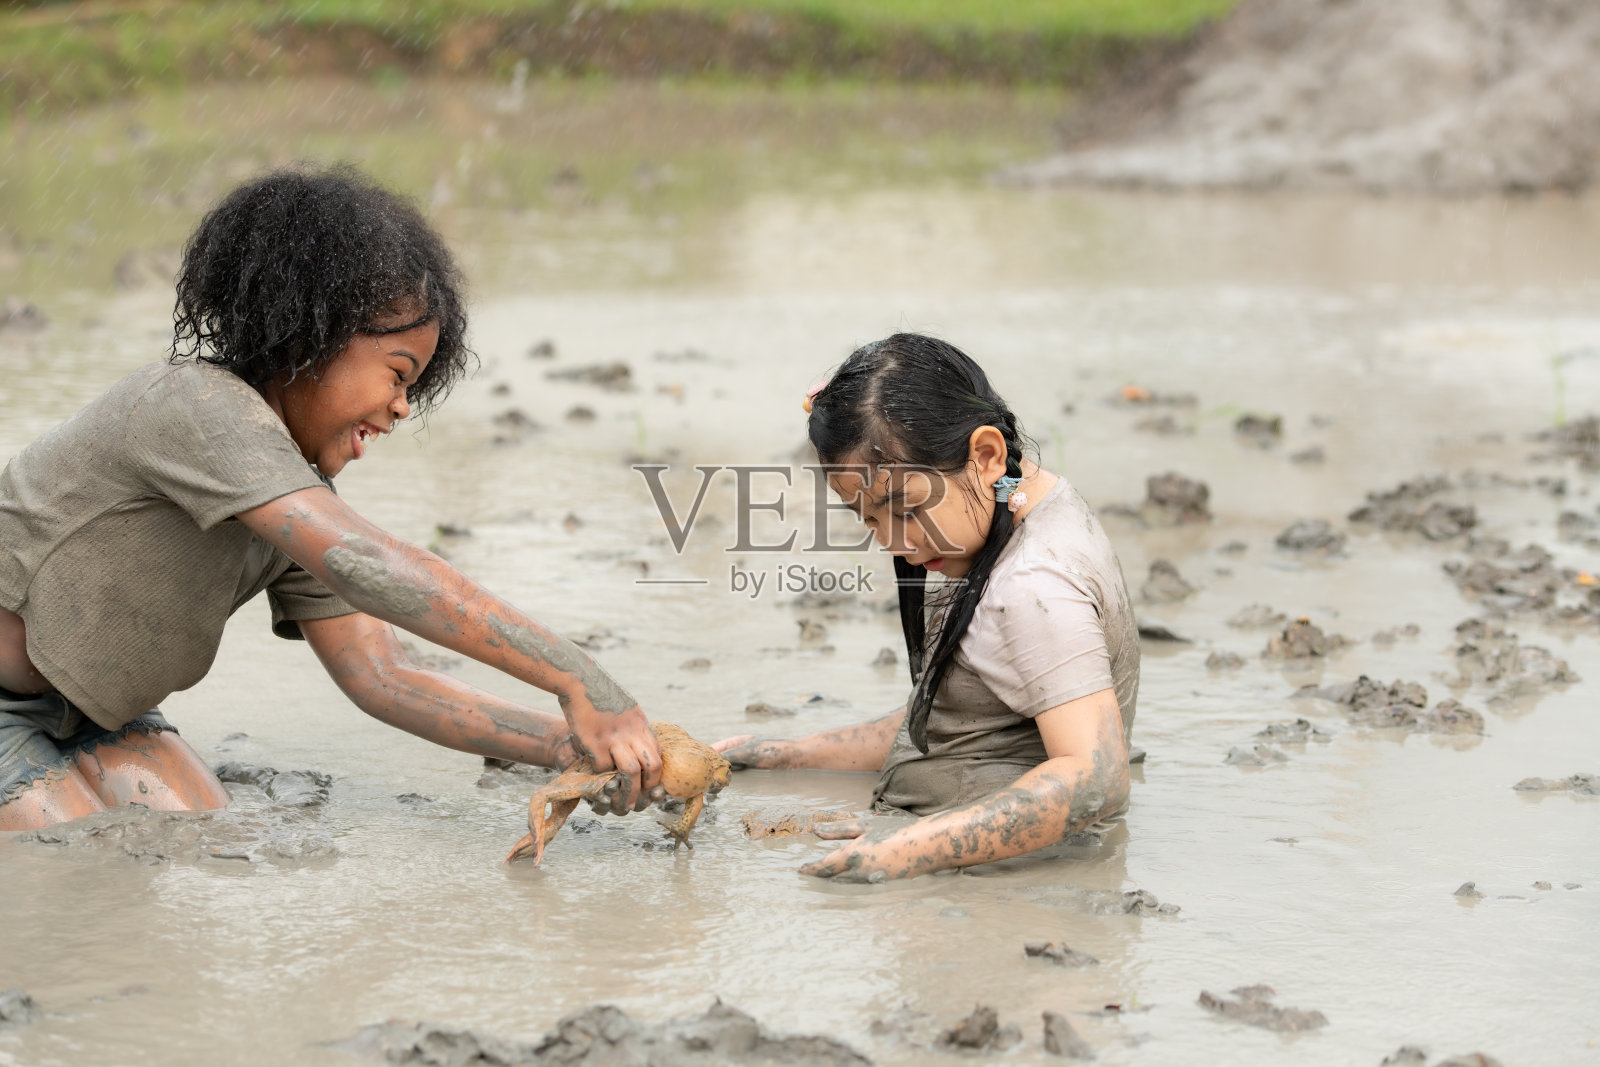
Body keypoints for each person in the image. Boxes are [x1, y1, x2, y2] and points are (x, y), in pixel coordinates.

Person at [0, 165, 662, 832]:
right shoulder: (196, 406)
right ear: (310, 331)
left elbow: (383, 676)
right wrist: (578, 676)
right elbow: (360, 560)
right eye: (399, 373)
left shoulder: (293, 498)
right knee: (68, 856)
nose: (404, 407)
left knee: (193, 833)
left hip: (96, 716)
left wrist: (574, 747)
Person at [716, 333, 1140, 882]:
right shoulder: (1027, 498)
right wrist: (788, 754)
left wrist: (906, 849)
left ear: (985, 455)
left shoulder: (1036, 586)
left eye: (906, 508)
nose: (896, 544)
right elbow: (961, 717)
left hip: (1008, 889)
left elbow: (1097, 777)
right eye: (867, 518)